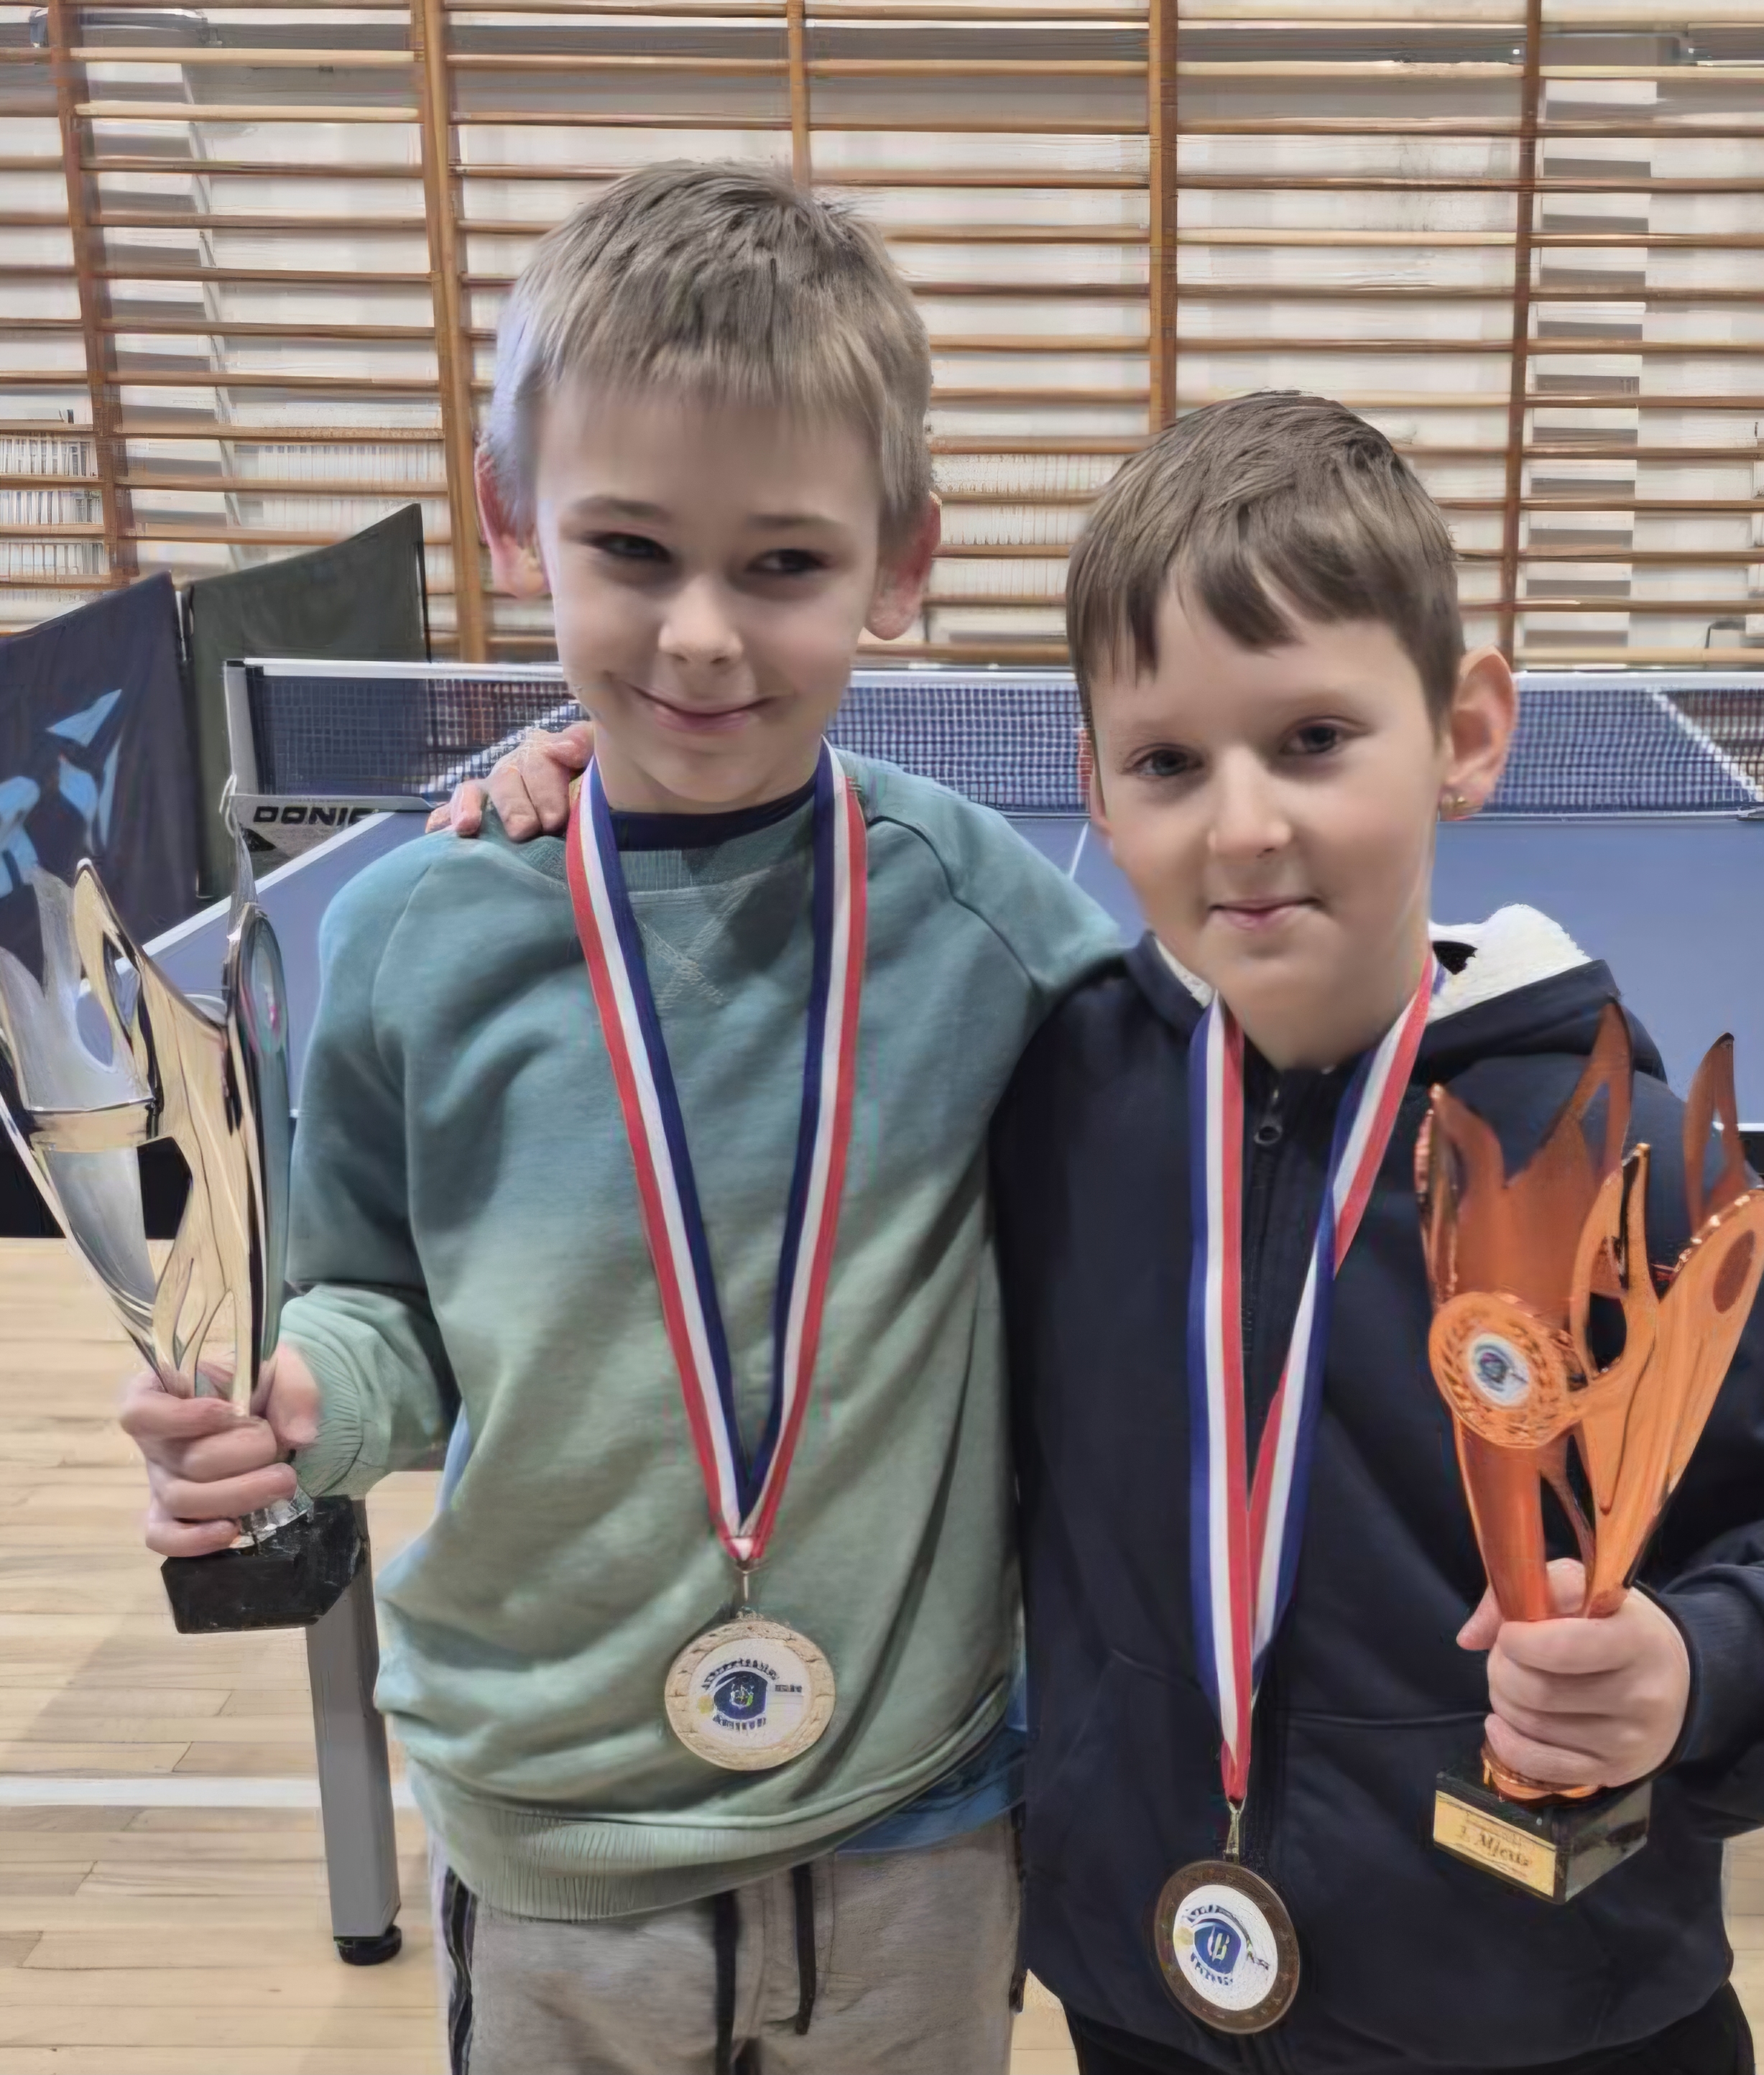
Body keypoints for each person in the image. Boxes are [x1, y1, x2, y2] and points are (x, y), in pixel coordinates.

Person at [439, 393, 1764, 2073]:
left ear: (1467, 733)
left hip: (1549, 2020)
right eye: (1169, 762)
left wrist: (1696, 1669)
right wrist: (637, 800)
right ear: (1098, 794)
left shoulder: (1611, 1154)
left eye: (1313, 738)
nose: (1243, 824)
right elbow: (766, 1075)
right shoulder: (1054, 1085)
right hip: (1155, 1997)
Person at [117, 162, 1118, 2075]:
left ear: (900, 559)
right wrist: (297, 1402)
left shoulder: (988, 924)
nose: (702, 638)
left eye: (784, 563)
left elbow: (1210, 1162)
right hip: (549, 1825)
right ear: (517, 526)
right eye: (634, 551)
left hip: (907, 1812)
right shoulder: (417, 935)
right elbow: (372, 1302)